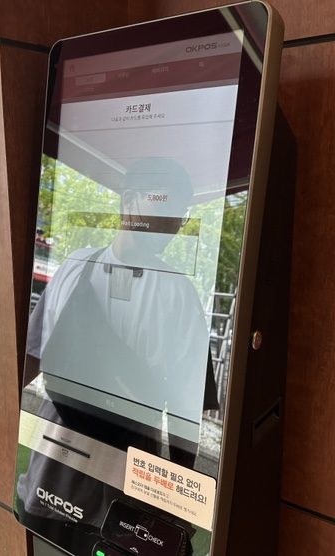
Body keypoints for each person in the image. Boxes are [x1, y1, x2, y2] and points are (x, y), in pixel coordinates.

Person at [15, 158, 216, 550]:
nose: (176, 223)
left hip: (126, 486)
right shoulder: (75, 266)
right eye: (165, 202)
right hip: (51, 472)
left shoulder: (180, 295)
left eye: (181, 211)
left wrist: (175, 505)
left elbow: (185, 412)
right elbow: (32, 359)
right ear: (130, 201)